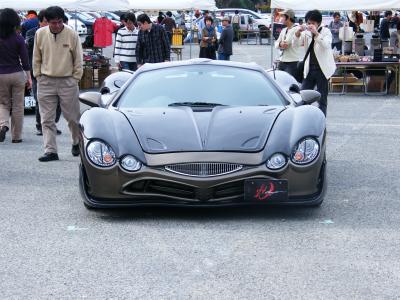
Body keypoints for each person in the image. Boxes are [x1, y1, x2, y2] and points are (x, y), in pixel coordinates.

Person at [33, 6, 83, 161]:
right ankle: (50, 151)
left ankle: (76, 142)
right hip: (45, 80)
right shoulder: (40, 34)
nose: (57, 25)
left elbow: (78, 59)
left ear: (63, 20)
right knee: (46, 119)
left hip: (67, 81)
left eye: (60, 22)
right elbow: (36, 57)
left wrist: (75, 78)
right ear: (47, 22)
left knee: (73, 118)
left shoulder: (72, 34)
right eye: (53, 23)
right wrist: (38, 76)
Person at [26, 10, 62, 136]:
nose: (49, 24)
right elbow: (29, 45)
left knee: (57, 101)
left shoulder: (58, 33)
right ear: (40, 22)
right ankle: (40, 125)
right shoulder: (33, 33)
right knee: (40, 100)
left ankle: (52, 123)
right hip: (38, 71)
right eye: (46, 22)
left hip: (55, 71)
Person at [294, 9, 336, 116]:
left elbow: (326, 45)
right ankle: (303, 119)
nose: (310, 25)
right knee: (302, 96)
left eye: (313, 23)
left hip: (322, 70)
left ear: (319, 23)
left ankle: (321, 124)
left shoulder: (326, 32)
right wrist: (298, 33)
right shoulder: (306, 33)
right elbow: (296, 44)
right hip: (309, 69)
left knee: (322, 99)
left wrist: (316, 33)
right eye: (308, 23)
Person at [0, 8, 32, 143]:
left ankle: (3, 125)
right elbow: (25, 61)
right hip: (17, 74)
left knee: (3, 103)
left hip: (1, 75)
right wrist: (29, 77)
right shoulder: (18, 38)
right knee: (18, 106)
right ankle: (16, 137)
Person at [274, 9, 299, 78]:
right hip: (282, 61)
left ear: (288, 17)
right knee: (279, 81)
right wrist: (279, 44)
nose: (281, 18)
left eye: (283, 17)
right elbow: (276, 43)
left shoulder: (296, 29)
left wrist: (281, 44)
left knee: (289, 84)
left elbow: (286, 43)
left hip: (292, 62)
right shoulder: (284, 30)